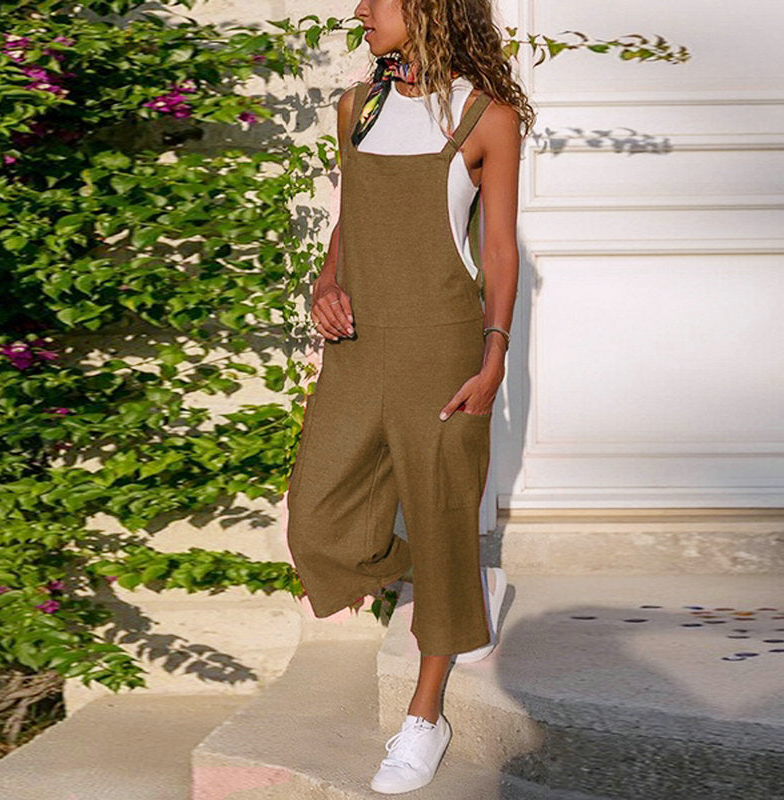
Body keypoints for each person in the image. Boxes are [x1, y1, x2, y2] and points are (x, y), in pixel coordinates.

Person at [286, 0, 533, 793]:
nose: (359, 9)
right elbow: (349, 219)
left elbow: (499, 250)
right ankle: (455, 577)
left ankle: (425, 718)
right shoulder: (356, 107)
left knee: (441, 509)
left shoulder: (486, 117)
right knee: (317, 523)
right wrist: (326, 283)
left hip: (443, 346)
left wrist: (494, 357)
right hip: (358, 346)